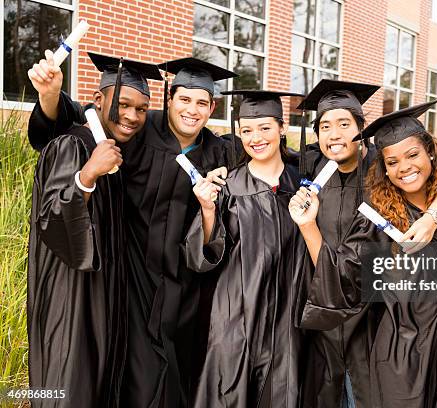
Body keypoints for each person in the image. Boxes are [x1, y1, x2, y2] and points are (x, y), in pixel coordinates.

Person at [27, 52, 237, 407]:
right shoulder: (137, 129)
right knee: (125, 378)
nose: (192, 109)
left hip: (182, 289)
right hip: (129, 281)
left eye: (202, 102)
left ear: (212, 108)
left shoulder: (219, 153)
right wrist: (48, 95)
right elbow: (80, 119)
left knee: (177, 378)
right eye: (184, 99)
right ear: (169, 100)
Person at [292, 79, 437, 407]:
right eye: (325, 126)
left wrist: (432, 218)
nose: (335, 134)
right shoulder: (313, 169)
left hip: (380, 322)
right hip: (334, 306)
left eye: (344, 124)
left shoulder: (383, 174)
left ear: (360, 129)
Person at [27, 53, 161, 407]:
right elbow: (51, 219)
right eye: (125, 104)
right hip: (69, 300)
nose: (132, 116)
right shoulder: (73, 145)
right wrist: (87, 175)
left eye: (142, 109)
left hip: (100, 300)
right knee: (69, 389)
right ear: (98, 100)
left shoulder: (109, 151)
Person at [183, 90, 311, 408]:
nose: (256, 137)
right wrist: (207, 209)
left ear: (282, 128)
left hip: (287, 323)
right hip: (235, 320)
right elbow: (202, 257)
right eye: (247, 130)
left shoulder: (303, 185)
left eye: (265, 127)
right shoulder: (227, 188)